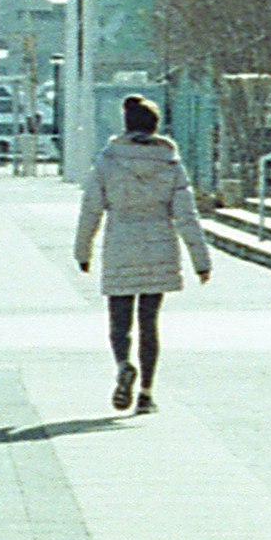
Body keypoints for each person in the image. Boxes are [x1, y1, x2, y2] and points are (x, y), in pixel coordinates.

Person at [74, 96, 213, 415]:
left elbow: (90, 209)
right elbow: (186, 216)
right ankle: (147, 394)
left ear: (126, 124)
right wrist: (201, 261)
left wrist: (83, 251)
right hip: (160, 246)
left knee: (119, 320)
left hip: (120, 244)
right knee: (149, 323)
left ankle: (123, 364)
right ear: (155, 126)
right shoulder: (170, 163)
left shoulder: (107, 161)